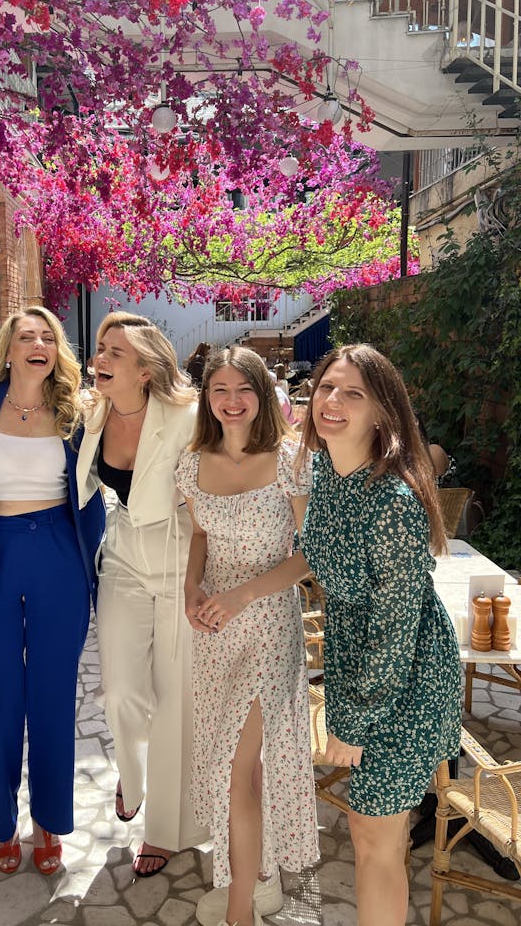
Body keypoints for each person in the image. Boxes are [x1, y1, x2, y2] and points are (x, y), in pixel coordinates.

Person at [298, 344, 461, 926]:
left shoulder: (392, 501)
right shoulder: (326, 470)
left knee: (374, 836)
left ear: (381, 414)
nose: (332, 401)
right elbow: (316, 553)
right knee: (371, 833)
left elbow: (395, 631)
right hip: (357, 664)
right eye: (326, 387)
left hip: (406, 679)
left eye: (353, 393)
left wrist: (353, 721)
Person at [176, 347, 319, 926]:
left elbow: (312, 554)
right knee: (235, 764)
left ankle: (241, 911)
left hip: (266, 627)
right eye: (219, 391)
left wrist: (243, 596)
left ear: (263, 395)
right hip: (213, 627)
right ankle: (257, 875)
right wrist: (191, 591)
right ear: (207, 400)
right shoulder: (191, 464)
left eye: (244, 389)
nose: (231, 401)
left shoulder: (290, 460)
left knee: (240, 764)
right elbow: (200, 539)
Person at [0, 307, 105, 877]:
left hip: (57, 553)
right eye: (27, 336)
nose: (39, 344)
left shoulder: (77, 411)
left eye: (49, 336)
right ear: (8, 348)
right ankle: (2, 821)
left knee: (50, 693)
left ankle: (48, 819)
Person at [75, 312, 208, 878]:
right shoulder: (93, 412)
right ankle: (131, 778)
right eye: (100, 349)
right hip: (126, 555)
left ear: (146, 369)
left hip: (182, 561)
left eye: (114, 353)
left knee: (177, 698)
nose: (99, 360)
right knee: (124, 689)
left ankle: (162, 831)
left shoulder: (189, 416)